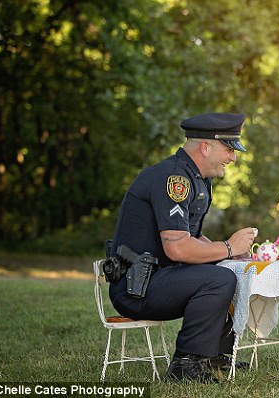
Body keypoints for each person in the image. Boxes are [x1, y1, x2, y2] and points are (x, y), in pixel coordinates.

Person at [108, 112, 257, 383]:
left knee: (227, 268)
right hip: (135, 288)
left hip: (158, 278)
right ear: (205, 147)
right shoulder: (173, 179)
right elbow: (177, 249)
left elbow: (192, 238)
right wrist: (227, 246)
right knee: (219, 278)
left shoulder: (195, 178)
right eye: (228, 149)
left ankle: (215, 356)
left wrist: (231, 252)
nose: (233, 157)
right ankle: (185, 365)